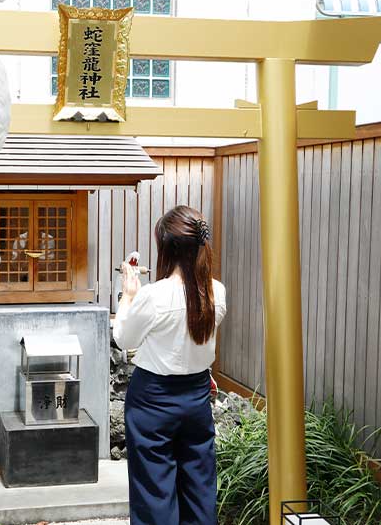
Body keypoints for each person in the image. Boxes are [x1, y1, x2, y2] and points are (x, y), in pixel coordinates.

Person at [113, 205, 227, 525]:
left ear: (166, 247)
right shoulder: (216, 291)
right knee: (199, 484)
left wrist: (128, 293)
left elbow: (124, 337)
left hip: (153, 398)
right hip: (196, 397)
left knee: (154, 489)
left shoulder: (154, 295)